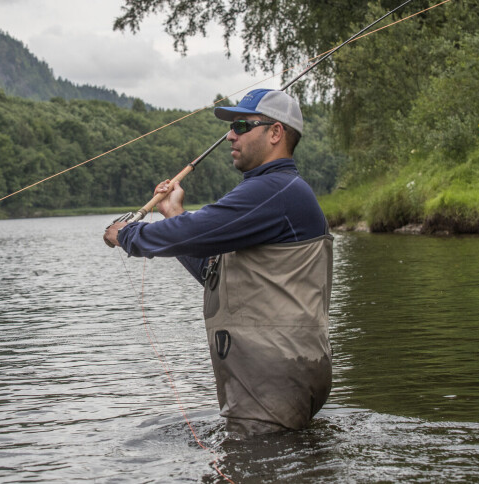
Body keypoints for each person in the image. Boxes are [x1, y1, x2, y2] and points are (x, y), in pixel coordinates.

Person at [103, 89, 333, 436]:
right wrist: (173, 213)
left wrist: (127, 234)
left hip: (272, 375)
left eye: (241, 126)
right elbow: (215, 272)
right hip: (282, 371)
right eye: (231, 127)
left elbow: (194, 231)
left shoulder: (273, 190)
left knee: (254, 461)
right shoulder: (274, 194)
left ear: (275, 133)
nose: (230, 136)